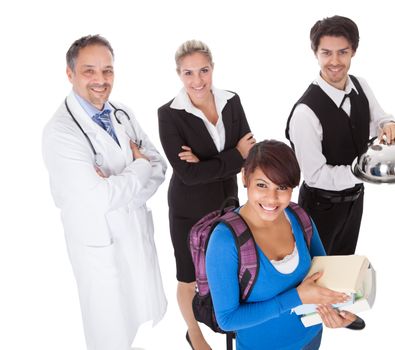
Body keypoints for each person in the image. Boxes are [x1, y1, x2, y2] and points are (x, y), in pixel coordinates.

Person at [42, 35, 167, 350]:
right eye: (89, 71)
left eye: (107, 71)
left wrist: (120, 187)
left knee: (140, 318)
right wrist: (137, 169)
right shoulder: (61, 132)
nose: (101, 80)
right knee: (109, 333)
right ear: (70, 74)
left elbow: (160, 166)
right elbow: (99, 198)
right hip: (100, 247)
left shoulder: (122, 113)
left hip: (134, 235)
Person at [206, 140, 357, 350]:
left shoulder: (299, 217)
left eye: (282, 187)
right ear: (244, 178)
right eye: (262, 185)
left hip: (310, 338)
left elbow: (324, 276)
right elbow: (228, 319)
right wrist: (296, 297)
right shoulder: (224, 241)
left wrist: (337, 310)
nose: (272, 198)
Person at [158, 39, 255, 350]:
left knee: (229, 271)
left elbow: (250, 152)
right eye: (188, 73)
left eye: (203, 71)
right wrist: (231, 157)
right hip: (189, 207)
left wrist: (209, 163)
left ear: (213, 69)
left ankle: (231, 324)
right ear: (178, 74)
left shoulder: (231, 101)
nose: (197, 80)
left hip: (227, 202)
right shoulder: (169, 114)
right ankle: (195, 334)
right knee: (189, 277)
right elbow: (188, 174)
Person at [286, 15, 395, 255]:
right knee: (316, 274)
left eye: (342, 52)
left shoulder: (360, 85)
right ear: (315, 53)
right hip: (320, 208)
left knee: (343, 271)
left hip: (355, 201)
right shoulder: (305, 113)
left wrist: (392, 125)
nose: (334, 61)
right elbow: (315, 176)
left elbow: (381, 119)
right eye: (326, 53)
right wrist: (365, 174)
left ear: (353, 52)